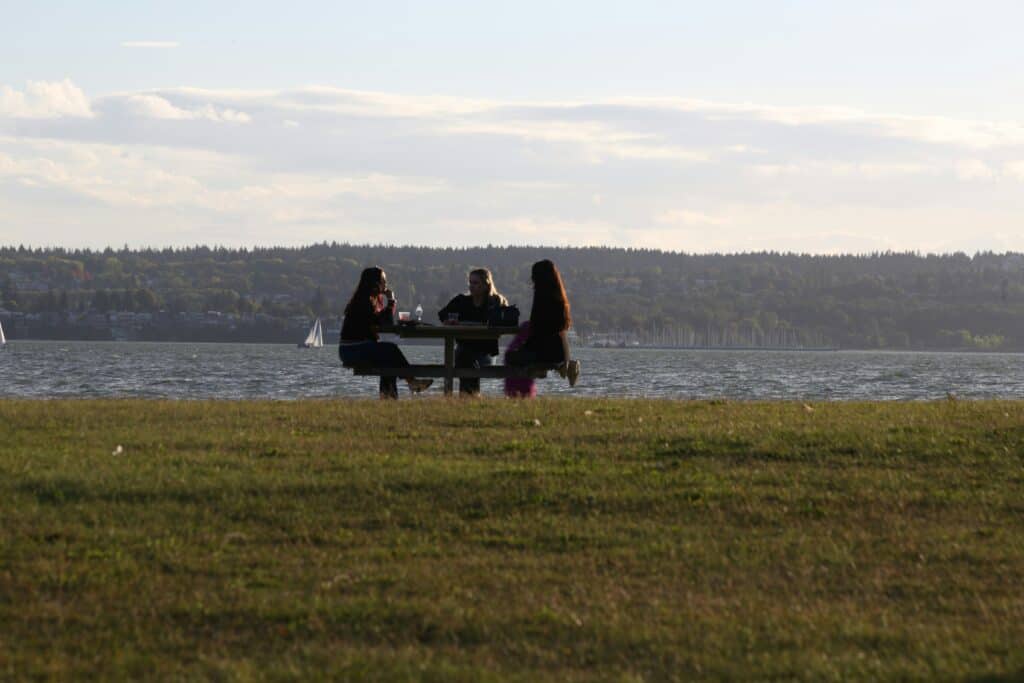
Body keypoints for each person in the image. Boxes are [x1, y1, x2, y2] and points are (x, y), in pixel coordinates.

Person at [339, 267, 432, 399]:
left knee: (388, 360)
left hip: (356, 348)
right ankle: (411, 381)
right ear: (374, 282)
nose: (386, 284)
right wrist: (391, 301)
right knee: (390, 350)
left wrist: (388, 306)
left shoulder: (370, 300)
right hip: (353, 349)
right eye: (383, 281)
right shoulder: (364, 301)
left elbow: (381, 321)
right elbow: (385, 323)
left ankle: (389, 399)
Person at [505, 259, 580, 393]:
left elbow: (537, 332)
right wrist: (566, 357)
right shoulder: (560, 300)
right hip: (557, 353)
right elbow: (562, 333)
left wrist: (524, 346)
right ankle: (563, 366)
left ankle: (534, 374)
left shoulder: (541, 299)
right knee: (527, 356)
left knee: (511, 357)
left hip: (542, 352)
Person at [437, 268, 508, 395]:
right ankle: (470, 396)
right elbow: (442, 314)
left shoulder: (495, 302)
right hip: (463, 349)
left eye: (476, 283)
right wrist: (448, 321)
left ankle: (468, 397)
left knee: (467, 360)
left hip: (486, 352)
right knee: (465, 358)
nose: (471, 286)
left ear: (486, 285)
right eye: (470, 283)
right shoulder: (461, 301)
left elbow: (506, 320)